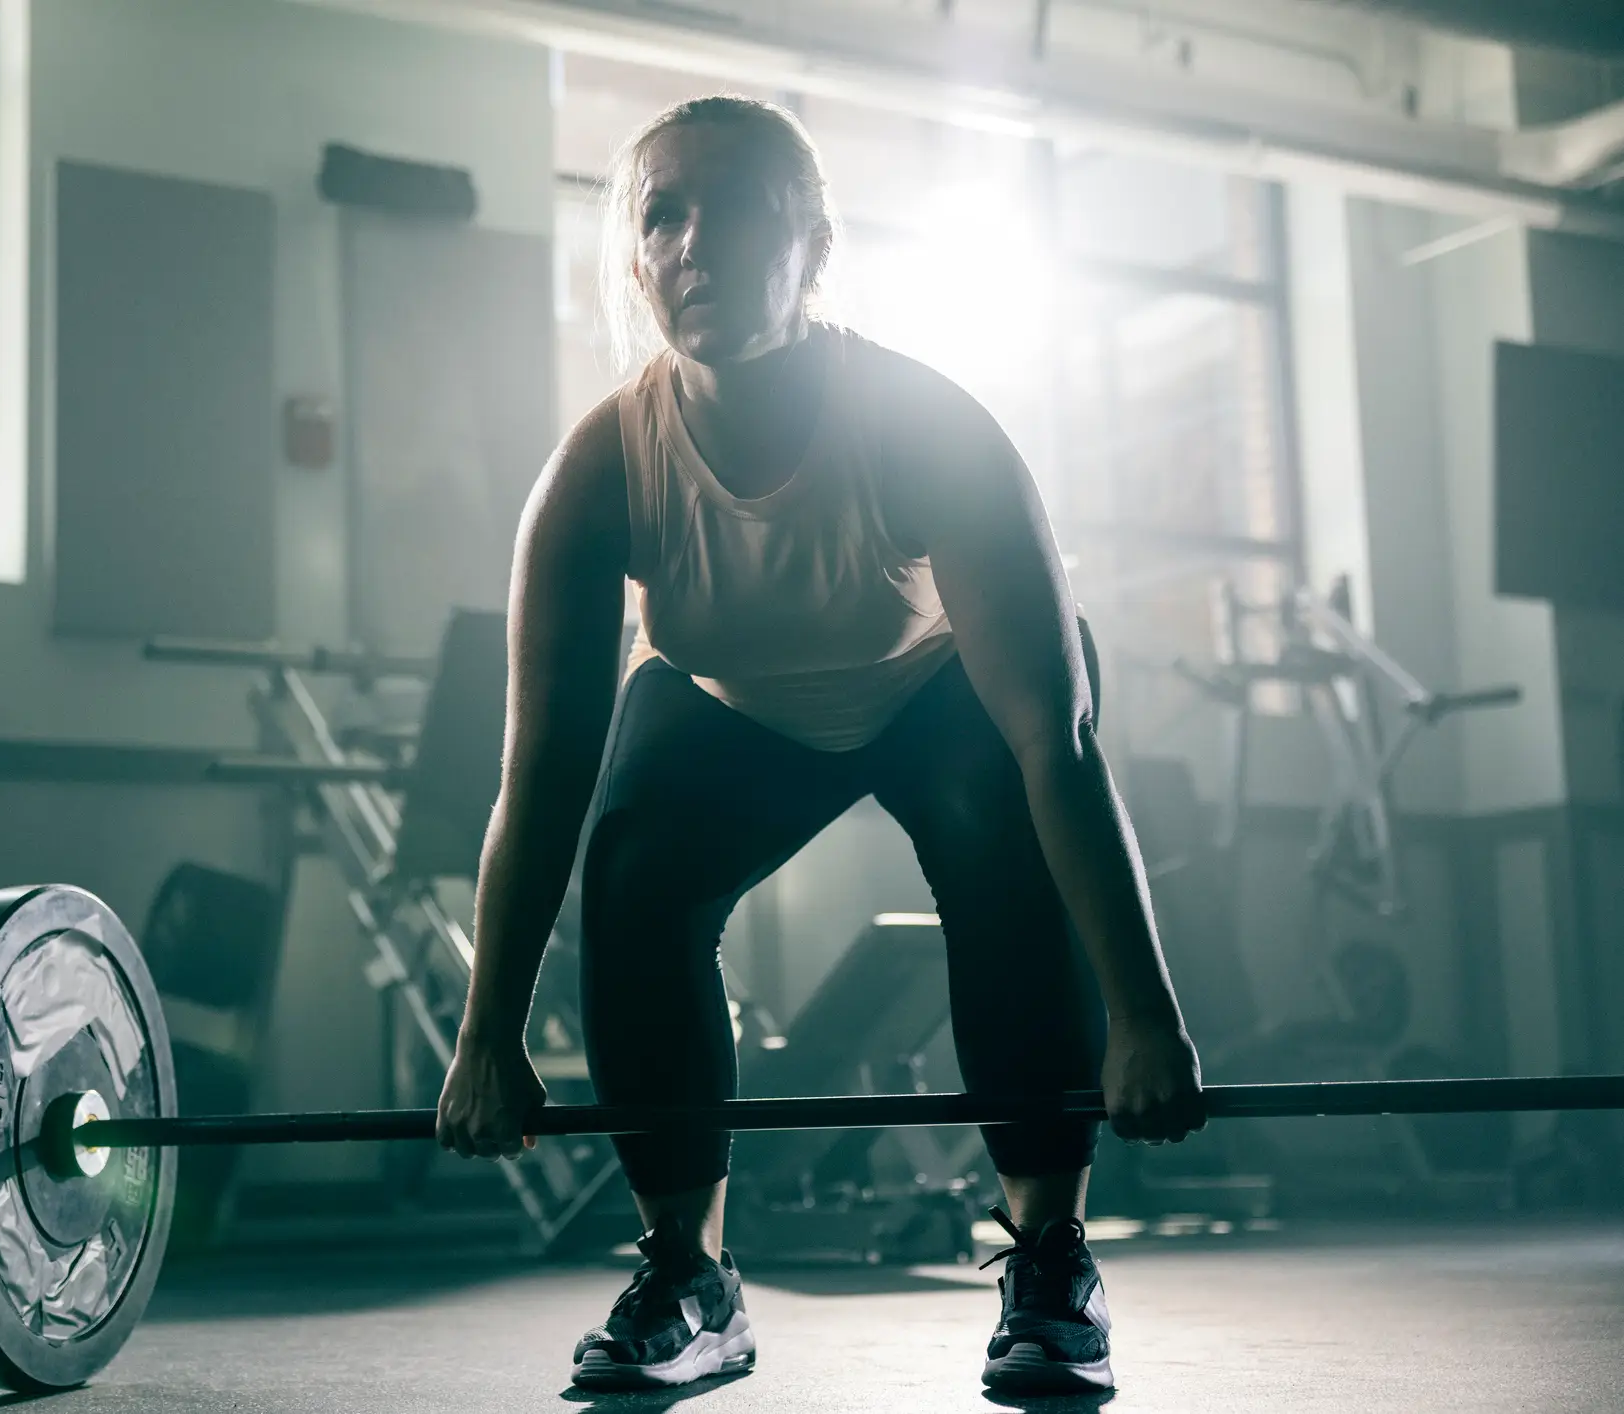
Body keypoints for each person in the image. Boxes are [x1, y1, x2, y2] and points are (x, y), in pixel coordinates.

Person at [433, 94, 1207, 1397]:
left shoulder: (924, 426)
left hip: (935, 687)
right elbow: (543, 778)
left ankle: (1048, 1251)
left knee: (1001, 835)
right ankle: (688, 1274)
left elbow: (1055, 740)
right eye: (661, 216)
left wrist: (1144, 1014)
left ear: (813, 242)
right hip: (733, 704)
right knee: (629, 862)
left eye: (732, 209)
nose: (693, 244)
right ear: (632, 257)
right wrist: (487, 1031)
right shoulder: (601, 472)